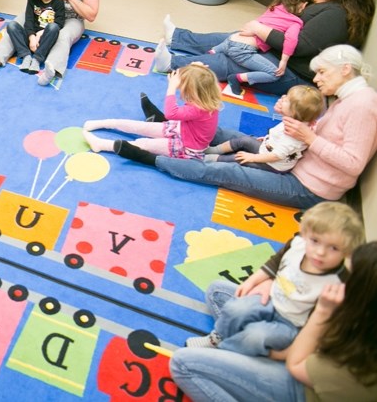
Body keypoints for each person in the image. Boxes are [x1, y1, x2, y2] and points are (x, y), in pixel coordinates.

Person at [117, 44, 377, 209]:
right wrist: (301, 131)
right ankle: (166, 122)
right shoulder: (348, 98)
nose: (317, 79)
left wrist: (309, 137)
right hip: (290, 158)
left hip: (308, 185)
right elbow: (324, 134)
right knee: (224, 134)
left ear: (345, 70)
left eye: (322, 73)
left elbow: (353, 164)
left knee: (227, 172)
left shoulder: (363, 105)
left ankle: (148, 157)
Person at [170, 240, 377, 401]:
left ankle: (232, 347)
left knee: (183, 363)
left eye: (346, 278)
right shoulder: (355, 310)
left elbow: (295, 361)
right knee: (219, 292)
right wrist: (273, 284)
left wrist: (322, 312)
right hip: (302, 339)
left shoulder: (360, 358)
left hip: (300, 383)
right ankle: (238, 345)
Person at [162, 0, 375, 95]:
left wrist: (259, 29)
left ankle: (172, 63)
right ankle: (178, 38)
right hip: (280, 52)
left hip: (293, 72)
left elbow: (299, 47)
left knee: (232, 60)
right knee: (233, 38)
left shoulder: (335, 16)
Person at [185, 201, 364, 357]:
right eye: (315, 241)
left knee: (256, 336)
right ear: (306, 233)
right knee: (232, 303)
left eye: (333, 248)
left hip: (291, 325)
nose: (320, 252)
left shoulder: (337, 283)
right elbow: (276, 262)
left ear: (346, 252)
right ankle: (218, 338)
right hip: (271, 300)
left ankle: (225, 350)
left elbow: (319, 325)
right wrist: (252, 281)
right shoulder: (299, 244)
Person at [155, 0, 312, 98]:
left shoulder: (274, 8)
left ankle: (175, 59)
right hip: (246, 47)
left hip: (235, 42)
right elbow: (290, 41)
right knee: (271, 71)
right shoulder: (295, 22)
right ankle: (176, 43)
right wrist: (283, 60)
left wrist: (257, 29)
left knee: (227, 54)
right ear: (303, 5)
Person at [83, 64, 222, 160]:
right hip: (182, 131)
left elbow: (170, 114)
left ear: (193, 91)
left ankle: (102, 145)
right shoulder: (206, 98)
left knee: (144, 144)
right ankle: (107, 123)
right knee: (142, 127)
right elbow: (200, 80)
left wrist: (171, 88)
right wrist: (195, 68)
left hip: (186, 147)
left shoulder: (197, 108)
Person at [205, 85, 324, 172]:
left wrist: (252, 157)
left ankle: (209, 159)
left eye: (287, 99)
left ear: (294, 111)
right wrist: (268, 139)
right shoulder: (294, 121)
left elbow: (276, 156)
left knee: (239, 158)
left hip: (272, 163)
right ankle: (214, 150)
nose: (283, 98)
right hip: (267, 148)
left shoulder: (292, 137)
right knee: (244, 140)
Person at [1, 0, 66, 75]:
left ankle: (37, 59)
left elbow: (59, 23)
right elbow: (29, 21)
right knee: (11, 25)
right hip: (31, 38)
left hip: (45, 39)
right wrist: (32, 38)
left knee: (53, 27)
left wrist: (39, 35)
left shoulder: (58, 2)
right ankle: (25, 56)